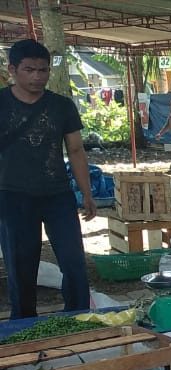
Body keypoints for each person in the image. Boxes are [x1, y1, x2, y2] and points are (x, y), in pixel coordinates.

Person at [0, 39, 96, 319]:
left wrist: (86, 194)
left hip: (58, 195)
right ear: (13, 70)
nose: (37, 76)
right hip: (12, 195)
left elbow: (76, 150)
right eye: (29, 70)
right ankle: (24, 325)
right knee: (21, 266)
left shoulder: (62, 106)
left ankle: (78, 317)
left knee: (74, 262)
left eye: (43, 70)